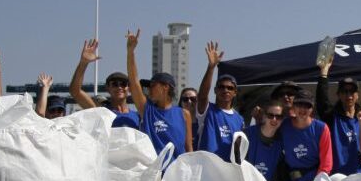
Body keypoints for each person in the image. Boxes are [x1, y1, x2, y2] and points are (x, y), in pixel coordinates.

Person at [126, 29, 192, 159]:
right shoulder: (147, 110)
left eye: (153, 85)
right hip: (154, 176)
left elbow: (189, 149)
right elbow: (133, 82)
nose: (149, 90)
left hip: (176, 175)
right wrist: (130, 51)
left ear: (166, 87)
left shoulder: (184, 114)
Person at [316, 57, 361, 175]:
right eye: (344, 91)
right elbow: (322, 101)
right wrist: (324, 72)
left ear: (357, 95)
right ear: (338, 95)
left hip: (360, 175)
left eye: (352, 91)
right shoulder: (332, 117)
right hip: (337, 177)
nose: (349, 95)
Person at [68, 39, 140, 128]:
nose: (119, 87)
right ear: (108, 88)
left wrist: (131, 51)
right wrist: (83, 63)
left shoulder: (138, 116)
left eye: (123, 84)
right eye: (115, 84)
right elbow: (75, 91)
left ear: (129, 88)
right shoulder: (100, 112)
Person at [196, 41, 245, 161]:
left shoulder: (239, 119)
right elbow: (202, 96)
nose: (225, 90)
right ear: (215, 90)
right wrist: (211, 67)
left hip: (227, 171)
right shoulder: (208, 110)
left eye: (230, 88)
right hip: (206, 168)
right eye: (221, 87)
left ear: (235, 93)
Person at [278, 90, 332, 181]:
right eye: (299, 105)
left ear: (312, 108)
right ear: (293, 106)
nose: (302, 110)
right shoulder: (284, 125)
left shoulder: (321, 128)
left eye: (307, 106)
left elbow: (326, 163)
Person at [243, 99, 286, 181]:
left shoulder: (282, 142)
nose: (274, 119)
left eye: (278, 117)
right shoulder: (246, 134)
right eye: (271, 115)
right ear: (264, 116)